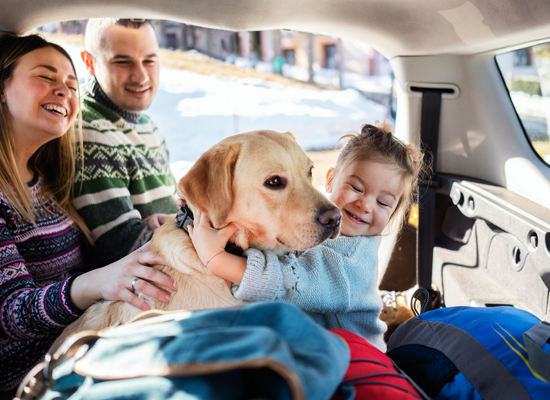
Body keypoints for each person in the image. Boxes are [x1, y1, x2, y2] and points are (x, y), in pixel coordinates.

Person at [0, 34, 177, 397]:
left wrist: (152, 229)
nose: (63, 91)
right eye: (46, 77)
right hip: (35, 376)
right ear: (2, 88)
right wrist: (95, 283)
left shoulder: (48, 184)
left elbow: (72, 271)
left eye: (70, 83)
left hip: (88, 345)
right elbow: (10, 312)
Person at [189, 122, 424, 351]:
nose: (365, 205)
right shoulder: (331, 233)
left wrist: (215, 258)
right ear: (330, 180)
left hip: (355, 362)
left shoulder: (350, 261)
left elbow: (286, 282)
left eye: (383, 202)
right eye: (356, 188)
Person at [73, 18, 178, 267]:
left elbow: (174, 208)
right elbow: (123, 247)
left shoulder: (147, 125)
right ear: (90, 63)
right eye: (123, 62)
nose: (141, 76)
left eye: (149, 60)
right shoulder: (88, 131)